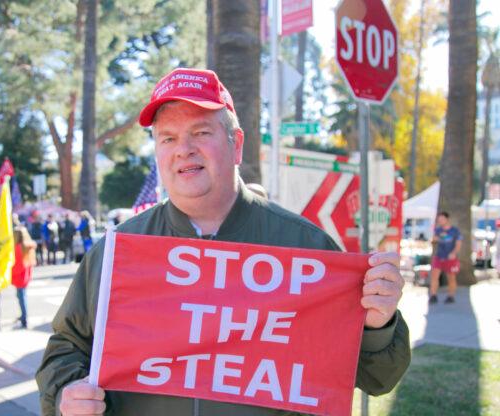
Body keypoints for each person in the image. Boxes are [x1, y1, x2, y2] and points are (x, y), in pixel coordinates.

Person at [36, 68, 410, 416]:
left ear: (236, 145)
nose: (183, 149)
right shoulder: (117, 252)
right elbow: (65, 347)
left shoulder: (306, 249)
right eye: (168, 138)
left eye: (201, 132)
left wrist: (378, 325)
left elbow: (376, 379)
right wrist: (66, 392)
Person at [429, 211, 462, 304]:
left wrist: (454, 253)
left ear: (447, 219)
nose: (441, 221)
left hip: (450, 258)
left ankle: (451, 296)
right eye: (439, 219)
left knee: (451, 277)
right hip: (439, 256)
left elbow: (458, 244)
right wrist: (434, 239)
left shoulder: (454, 231)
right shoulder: (438, 230)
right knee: (434, 276)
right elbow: (433, 241)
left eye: (442, 219)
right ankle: (433, 295)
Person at [12, 226, 37, 329]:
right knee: (22, 297)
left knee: (21, 298)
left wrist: (11, 273)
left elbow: (17, 265)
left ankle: (24, 318)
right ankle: (23, 316)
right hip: (26, 276)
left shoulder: (18, 248)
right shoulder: (29, 246)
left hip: (19, 277)